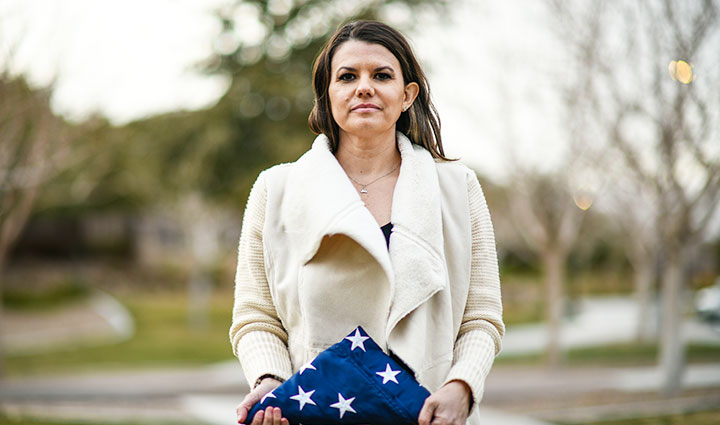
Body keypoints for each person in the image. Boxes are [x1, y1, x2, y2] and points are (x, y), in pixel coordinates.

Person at [230, 20, 504, 425]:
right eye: (347, 76)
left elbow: (481, 316)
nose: (364, 87)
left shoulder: (458, 189)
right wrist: (272, 380)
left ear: (407, 95)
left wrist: (461, 387)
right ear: (327, 94)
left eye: (381, 75)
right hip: (314, 413)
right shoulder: (275, 189)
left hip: (428, 414)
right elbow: (255, 317)